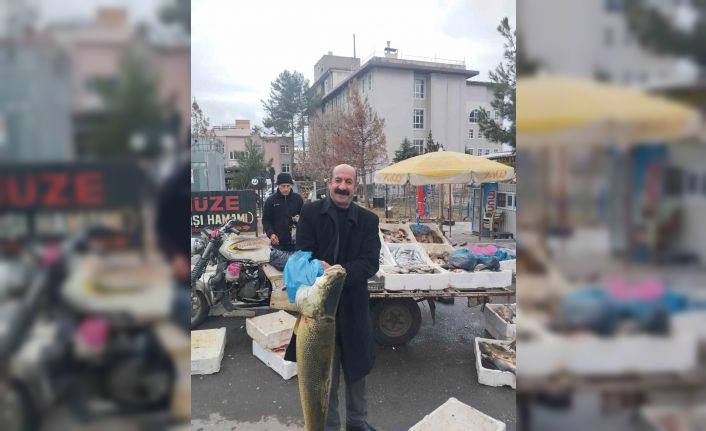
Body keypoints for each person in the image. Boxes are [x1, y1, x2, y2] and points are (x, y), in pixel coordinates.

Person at [284, 164, 380, 431]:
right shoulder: (310, 212)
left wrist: (339, 275)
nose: (342, 186)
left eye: (348, 182)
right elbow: (303, 251)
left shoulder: (368, 220)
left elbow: (370, 262)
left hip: (353, 307)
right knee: (323, 373)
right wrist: (318, 269)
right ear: (329, 182)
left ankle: (357, 424)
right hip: (318, 308)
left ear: (355, 186)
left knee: (358, 372)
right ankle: (328, 426)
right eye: (338, 180)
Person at [262, 172, 304, 252]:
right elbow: (266, 220)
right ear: (278, 185)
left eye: (288, 186)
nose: (286, 189)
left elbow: (304, 218)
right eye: (283, 186)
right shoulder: (271, 200)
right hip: (277, 242)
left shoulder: (298, 199)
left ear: (291, 185)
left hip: (296, 242)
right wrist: (271, 234)